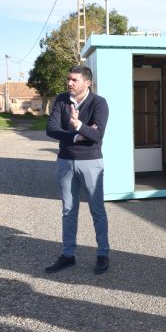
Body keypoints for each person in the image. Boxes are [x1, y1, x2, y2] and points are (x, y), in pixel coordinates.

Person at [45, 66, 110, 275]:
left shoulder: (99, 103)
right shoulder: (62, 100)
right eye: (68, 79)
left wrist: (78, 125)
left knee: (97, 209)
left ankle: (102, 254)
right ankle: (68, 255)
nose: (69, 83)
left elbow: (97, 136)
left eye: (74, 80)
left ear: (87, 83)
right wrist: (77, 135)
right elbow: (51, 129)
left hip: (91, 162)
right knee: (68, 210)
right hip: (65, 162)